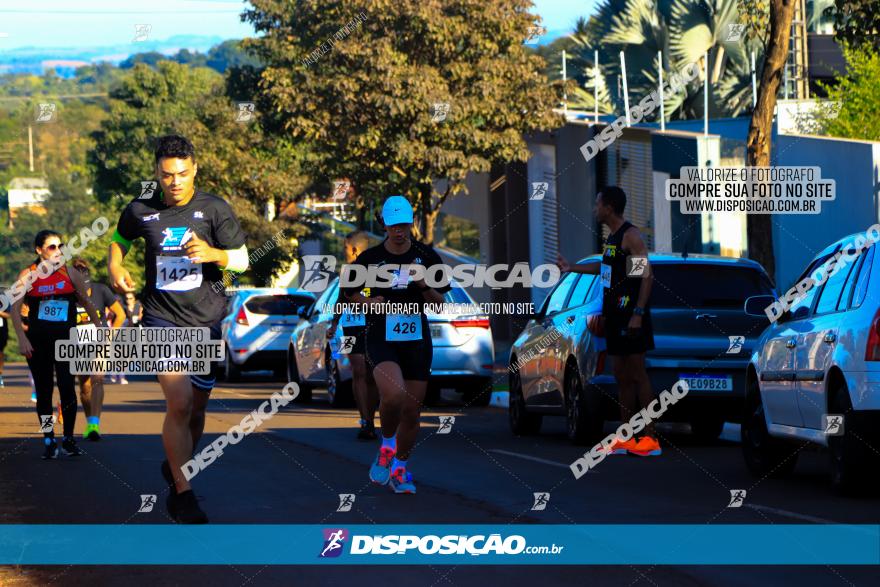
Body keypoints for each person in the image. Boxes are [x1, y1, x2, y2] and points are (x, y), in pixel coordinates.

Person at [107, 134, 248, 523]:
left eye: (183, 174)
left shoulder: (214, 209)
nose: (175, 182)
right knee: (180, 402)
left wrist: (215, 254)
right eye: (168, 175)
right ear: (157, 172)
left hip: (204, 320)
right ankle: (183, 494)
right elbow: (119, 242)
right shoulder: (140, 208)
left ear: (195, 170)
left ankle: (176, 467)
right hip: (161, 317)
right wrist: (116, 268)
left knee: (197, 410)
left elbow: (242, 260)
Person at [343, 196, 450, 494]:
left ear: (411, 223)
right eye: (393, 226)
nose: (399, 231)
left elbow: (441, 305)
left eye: (403, 225)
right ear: (384, 226)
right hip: (380, 336)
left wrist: (424, 285)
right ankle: (387, 444)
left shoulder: (428, 257)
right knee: (393, 395)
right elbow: (350, 294)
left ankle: (400, 470)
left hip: (416, 340)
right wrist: (369, 301)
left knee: (412, 413)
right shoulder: (369, 259)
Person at [556, 186, 659, 457]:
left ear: (609, 207)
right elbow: (604, 269)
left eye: (597, 204)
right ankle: (626, 436)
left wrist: (637, 313)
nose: (594, 209)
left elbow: (646, 277)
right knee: (621, 377)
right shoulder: (613, 238)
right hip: (614, 317)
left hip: (630, 317)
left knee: (638, 374)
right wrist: (571, 268)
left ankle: (650, 438)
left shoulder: (630, 236)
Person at [9, 230, 105, 459]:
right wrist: (22, 339)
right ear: (39, 250)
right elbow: (14, 308)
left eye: (60, 246)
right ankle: (49, 439)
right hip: (38, 342)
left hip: (66, 340)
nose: (58, 250)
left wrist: (100, 329)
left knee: (66, 387)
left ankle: (69, 439)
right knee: (43, 392)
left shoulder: (70, 274)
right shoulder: (28, 275)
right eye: (51, 247)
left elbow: (87, 303)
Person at [326, 230, 380, 440]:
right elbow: (341, 298)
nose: (344, 252)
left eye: (346, 249)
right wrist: (334, 323)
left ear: (355, 249)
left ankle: (372, 418)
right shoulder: (347, 271)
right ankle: (365, 420)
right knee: (358, 371)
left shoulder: (376, 268)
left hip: (374, 325)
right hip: (350, 325)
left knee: (372, 373)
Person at [70, 259, 126, 440]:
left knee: (97, 379)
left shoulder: (101, 290)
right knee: (84, 387)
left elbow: (120, 314)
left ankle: (95, 423)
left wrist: (111, 335)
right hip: (76, 343)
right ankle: (89, 423)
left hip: (99, 341)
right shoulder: (68, 294)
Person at [0, 307, 8, 388]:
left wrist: (0, 313)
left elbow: (10, 315)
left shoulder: (3, 298)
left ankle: (0, 375)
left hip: (1, 330)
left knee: (0, 352)